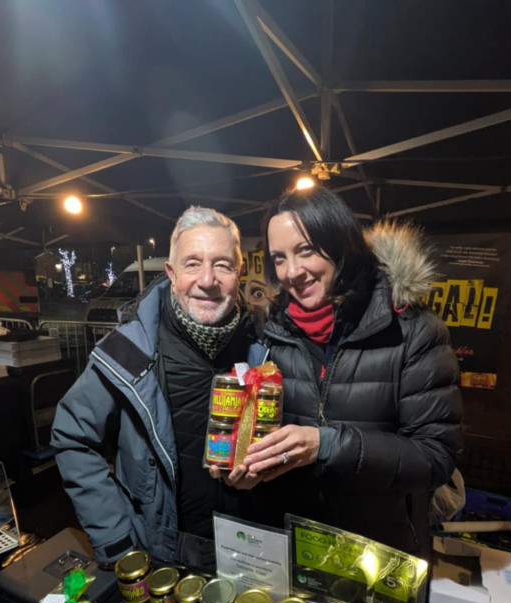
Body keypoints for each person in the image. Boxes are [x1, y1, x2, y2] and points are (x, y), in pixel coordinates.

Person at [222, 186, 463, 557]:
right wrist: (247, 467)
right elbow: (269, 440)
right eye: (279, 258)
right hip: (295, 544)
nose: (293, 272)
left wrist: (327, 444)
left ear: (340, 243)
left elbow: (435, 456)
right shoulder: (272, 334)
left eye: (305, 250)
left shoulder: (412, 330)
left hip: (378, 552)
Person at [52, 206, 264, 566]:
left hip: (253, 549)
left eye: (223, 265)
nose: (208, 279)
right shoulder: (127, 351)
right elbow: (72, 437)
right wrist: (116, 538)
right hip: (162, 553)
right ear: (171, 272)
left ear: (240, 273)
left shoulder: (268, 346)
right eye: (192, 263)